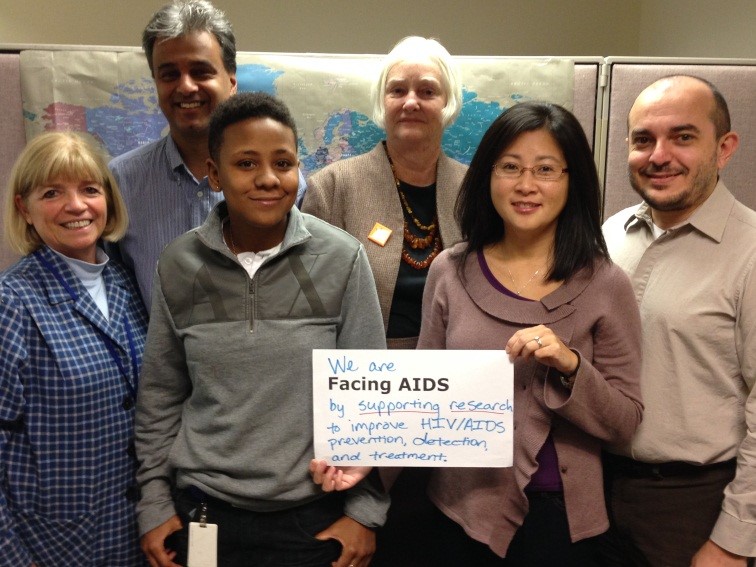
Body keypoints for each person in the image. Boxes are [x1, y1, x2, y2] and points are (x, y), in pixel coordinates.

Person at [313, 102, 643, 565]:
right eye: (510, 167)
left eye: (546, 169)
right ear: (487, 175)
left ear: (573, 180)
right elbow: (422, 401)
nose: (526, 185)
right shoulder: (451, 270)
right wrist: (364, 462)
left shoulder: (606, 283)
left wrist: (570, 366)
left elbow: (626, 421)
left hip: (560, 520)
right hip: (458, 513)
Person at [134, 92, 389, 567]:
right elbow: (160, 396)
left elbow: (370, 399)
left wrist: (365, 512)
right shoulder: (178, 264)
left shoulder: (342, 258)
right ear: (214, 174)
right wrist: (153, 503)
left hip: (313, 520)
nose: (268, 178)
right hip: (205, 516)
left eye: (283, 162)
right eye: (246, 163)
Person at [301, 36, 467, 563]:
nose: (412, 101)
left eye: (427, 89)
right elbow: (310, 313)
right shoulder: (332, 188)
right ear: (382, 103)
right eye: (398, 89)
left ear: (449, 104)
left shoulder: (477, 192)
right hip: (359, 407)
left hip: (453, 406)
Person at [601, 75, 756, 566]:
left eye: (683, 137)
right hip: (595, 493)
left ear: (724, 147)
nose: (659, 155)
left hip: (693, 506)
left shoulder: (751, 251)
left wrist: (734, 539)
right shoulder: (609, 236)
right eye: (643, 140)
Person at [0, 132, 148, 566]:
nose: (77, 206)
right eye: (52, 193)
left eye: (89, 189)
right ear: (24, 208)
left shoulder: (125, 283)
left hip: (132, 537)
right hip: (50, 548)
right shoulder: (12, 303)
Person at [109, 0, 306, 309]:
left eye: (200, 71)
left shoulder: (284, 186)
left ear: (231, 82)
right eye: (169, 74)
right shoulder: (120, 183)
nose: (186, 87)